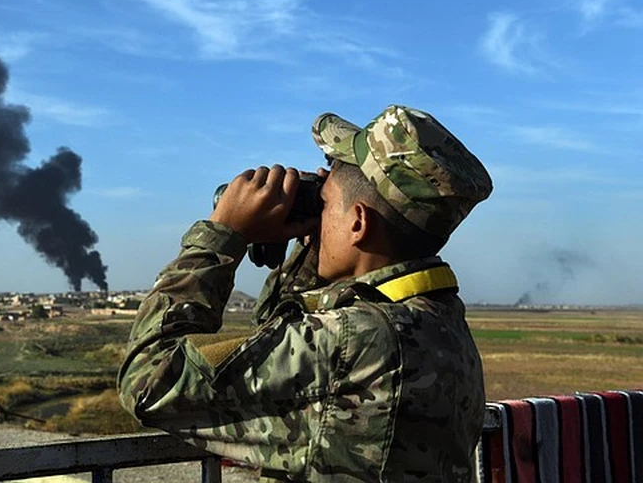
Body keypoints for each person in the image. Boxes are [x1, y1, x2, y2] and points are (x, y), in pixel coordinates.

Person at [117, 105, 493, 482]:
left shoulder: (356, 340)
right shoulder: (442, 326)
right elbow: (279, 344)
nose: (318, 209)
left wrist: (222, 235)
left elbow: (150, 381)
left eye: (324, 202)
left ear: (358, 223)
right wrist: (314, 247)